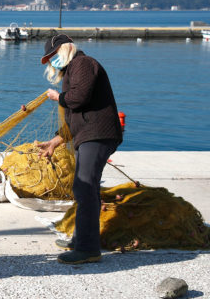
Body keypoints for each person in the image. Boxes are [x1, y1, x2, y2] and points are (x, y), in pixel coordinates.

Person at [36, 34, 123, 265]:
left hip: (98, 134)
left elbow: (79, 99)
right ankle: (81, 240)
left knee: (84, 187)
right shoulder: (72, 70)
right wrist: (55, 141)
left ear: (63, 50)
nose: (52, 62)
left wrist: (58, 97)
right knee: (86, 189)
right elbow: (73, 118)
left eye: (53, 56)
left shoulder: (83, 63)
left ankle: (88, 249)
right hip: (88, 135)